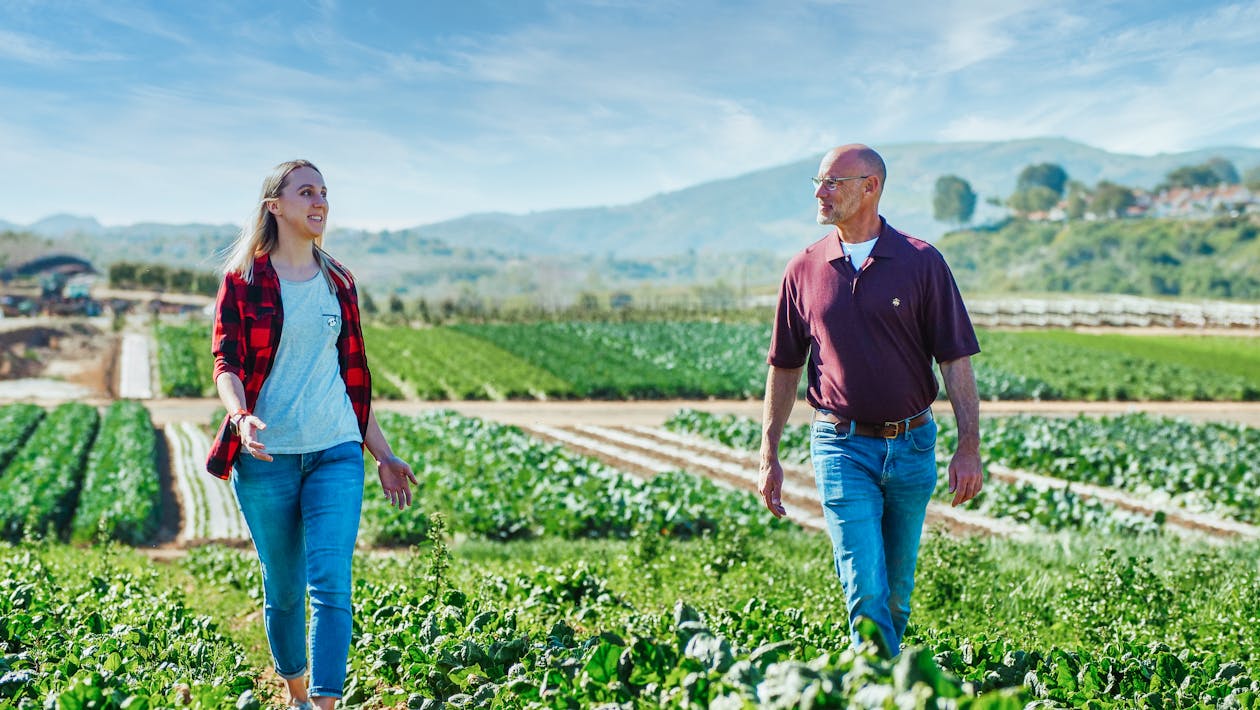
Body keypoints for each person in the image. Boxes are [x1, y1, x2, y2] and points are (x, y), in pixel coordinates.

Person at [206, 159, 417, 709]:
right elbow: (226, 361)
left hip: (336, 451)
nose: (319, 201)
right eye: (306, 192)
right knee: (283, 589)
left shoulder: (339, 282)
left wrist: (384, 455)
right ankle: (295, 691)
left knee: (331, 583)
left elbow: (355, 378)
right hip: (267, 458)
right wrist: (239, 415)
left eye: (323, 192)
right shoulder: (244, 280)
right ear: (275, 206)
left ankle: (324, 704)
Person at [757, 144, 982, 657]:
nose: (820, 192)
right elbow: (785, 365)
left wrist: (968, 445)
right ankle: (876, 686)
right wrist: (769, 454)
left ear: (870, 187)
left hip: (912, 446)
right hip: (840, 446)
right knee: (865, 585)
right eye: (818, 181)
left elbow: (955, 361)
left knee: (896, 595)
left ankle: (880, 678)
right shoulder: (803, 268)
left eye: (833, 182)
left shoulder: (922, 262)